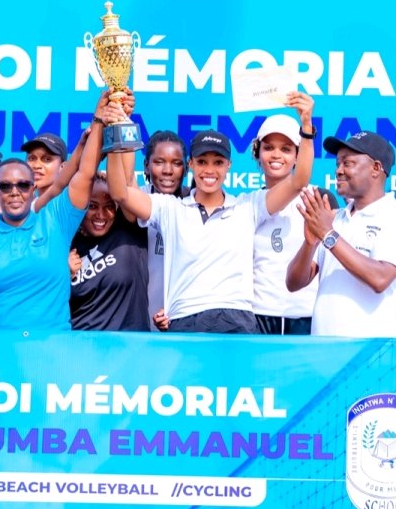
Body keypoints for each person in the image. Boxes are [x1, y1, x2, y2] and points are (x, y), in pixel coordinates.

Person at [107, 93, 316, 333]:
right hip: (186, 319)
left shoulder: (248, 206)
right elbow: (120, 192)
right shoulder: (170, 208)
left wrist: (306, 126)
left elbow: (299, 181)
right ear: (191, 164)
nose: (209, 170)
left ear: (228, 166)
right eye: (202, 161)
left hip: (237, 320)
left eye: (218, 162)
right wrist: (116, 128)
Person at [0, 96, 116, 330]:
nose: (14, 192)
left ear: (33, 189)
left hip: (48, 349)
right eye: (5, 186)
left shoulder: (56, 222)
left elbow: (85, 174)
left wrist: (98, 120)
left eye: (22, 185)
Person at [286, 131, 396, 338]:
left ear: (376, 168)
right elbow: (293, 283)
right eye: (337, 164)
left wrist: (328, 234)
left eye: (347, 163)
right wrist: (309, 243)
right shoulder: (334, 219)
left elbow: (380, 278)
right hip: (323, 349)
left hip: (372, 352)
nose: (338, 171)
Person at [250, 114, 339, 335]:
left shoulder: (319, 198)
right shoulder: (247, 204)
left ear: (299, 156)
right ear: (257, 153)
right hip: (258, 316)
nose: (276, 155)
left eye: (286, 149)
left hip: (307, 316)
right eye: (268, 147)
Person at [69, 174, 149, 331]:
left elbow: (127, 176)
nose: (101, 214)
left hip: (130, 343)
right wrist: (64, 273)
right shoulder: (66, 241)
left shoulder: (129, 229)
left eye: (109, 206)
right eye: (92, 206)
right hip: (81, 342)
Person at [139, 130, 188, 330]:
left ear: (186, 168)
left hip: (182, 321)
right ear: (146, 166)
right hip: (136, 324)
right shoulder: (135, 201)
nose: (168, 170)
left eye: (176, 163)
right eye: (159, 162)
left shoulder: (194, 205)